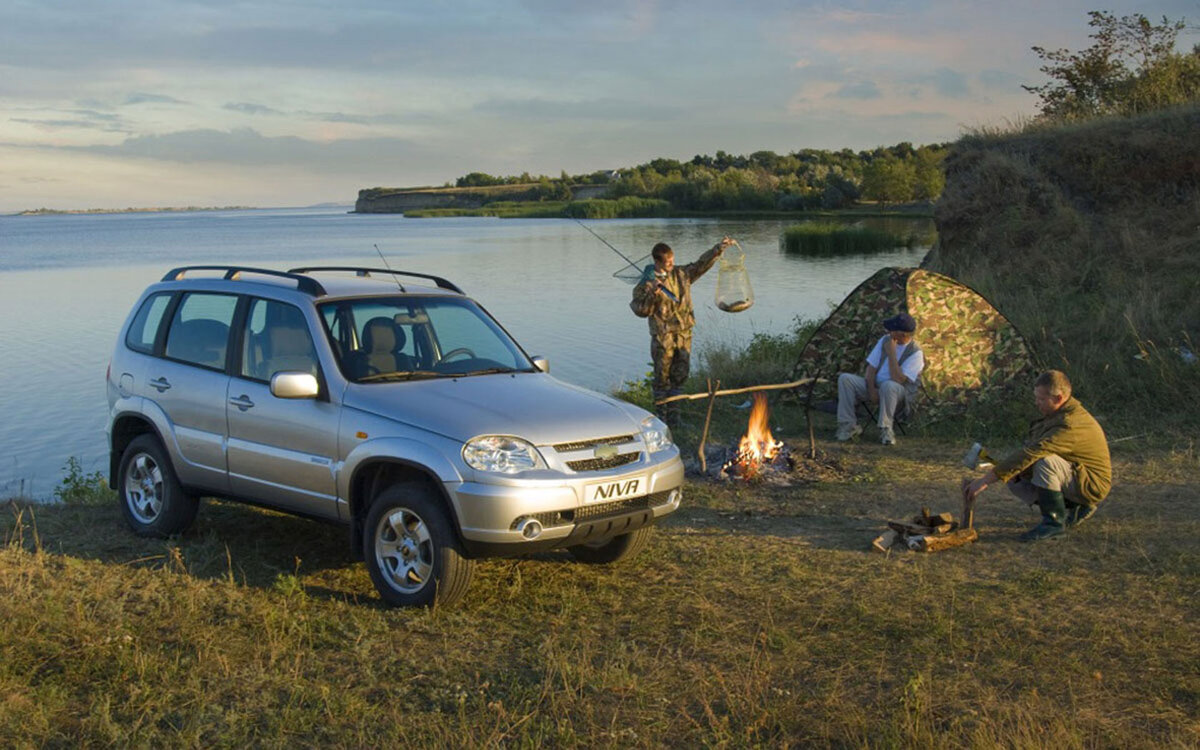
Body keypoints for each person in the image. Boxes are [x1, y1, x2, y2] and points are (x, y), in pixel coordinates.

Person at [962, 370, 1111, 542]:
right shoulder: (1057, 415)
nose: (1036, 403)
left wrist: (984, 481)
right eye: (1036, 398)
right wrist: (1010, 472)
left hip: (1092, 483)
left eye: (1041, 399)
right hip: (1076, 475)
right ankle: (1078, 507)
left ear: (1058, 398)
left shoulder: (1069, 424)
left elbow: (1033, 453)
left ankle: (1053, 525)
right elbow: (1028, 451)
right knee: (1013, 477)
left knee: (1046, 463)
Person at [630, 236, 734, 419]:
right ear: (657, 261)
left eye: (672, 260)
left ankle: (675, 418)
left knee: (680, 377)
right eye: (668, 262)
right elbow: (640, 311)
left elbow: (702, 264)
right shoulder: (645, 285)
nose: (672, 264)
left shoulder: (682, 274)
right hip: (663, 338)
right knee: (662, 380)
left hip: (684, 335)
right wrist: (653, 294)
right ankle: (661, 419)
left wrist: (719, 248)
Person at [835, 312, 924, 445]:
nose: (889, 332)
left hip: (898, 394)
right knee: (845, 379)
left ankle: (886, 430)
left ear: (903, 334)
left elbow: (898, 379)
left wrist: (892, 353)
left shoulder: (916, 353)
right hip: (876, 387)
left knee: (888, 385)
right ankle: (848, 426)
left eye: (892, 330)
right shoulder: (885, 340)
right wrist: (871, 390)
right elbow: (871, 368)